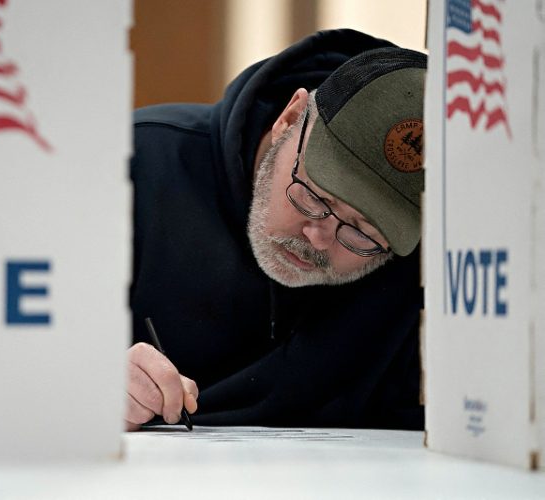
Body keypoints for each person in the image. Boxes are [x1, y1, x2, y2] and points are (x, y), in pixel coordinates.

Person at [127, 29, 427, 431]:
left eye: (363, 232)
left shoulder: (425, 268)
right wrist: (81, 380)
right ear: (288, 119)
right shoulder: (131, 169)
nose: (318, 238)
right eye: (315, 197)